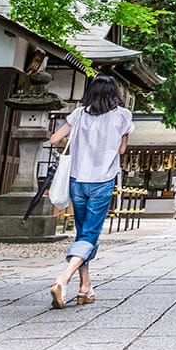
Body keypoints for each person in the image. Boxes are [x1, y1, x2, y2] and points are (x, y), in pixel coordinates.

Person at [45, 75, 132, 309]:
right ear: (115, 93)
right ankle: (64, 278)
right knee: (90, 233)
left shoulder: (79, 114)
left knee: (83, 233)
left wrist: (75, 146)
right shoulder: (122, 116)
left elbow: (54, 139)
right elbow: (122, 150)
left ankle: (85, 287)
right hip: (102, 180)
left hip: (77, 179)